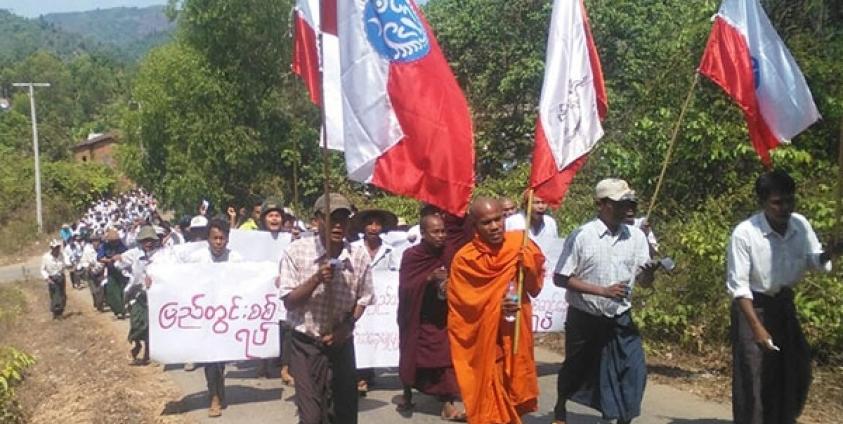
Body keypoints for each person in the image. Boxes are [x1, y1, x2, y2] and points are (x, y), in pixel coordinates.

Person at [726, 170, 842, 424]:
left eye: (789, 200)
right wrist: (757, 329)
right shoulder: (745, 233)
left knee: (795, 369)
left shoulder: (800, 224)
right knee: (753, 375)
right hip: (753, 309)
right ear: (763, 203)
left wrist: (830, 253)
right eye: (777, 203)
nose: (784, 208)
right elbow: (739, 288)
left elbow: (814, 260)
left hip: (783, 305)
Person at [551, 178, 660, 424]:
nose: (629, 207)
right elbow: (560, 278)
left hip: (620, 317)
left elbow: (643, 281)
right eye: (621, 203)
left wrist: (650, 273)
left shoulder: (636, 237)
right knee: (577, 368)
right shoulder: (582, 236)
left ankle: (623, 418)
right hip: (585, 317)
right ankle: (560, 405)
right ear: (602, 205)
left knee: (632, 370)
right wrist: (602, 291)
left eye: (631, 202)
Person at [448, 197, 544, 423]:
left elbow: (534, 288)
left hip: (515, 331)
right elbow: (463, 307)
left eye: (498, 219)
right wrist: (495, 306)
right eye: (486, 222)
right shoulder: (465, 259)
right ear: (474, 226)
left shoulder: (520, 243)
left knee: (515, 387)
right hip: (486, 338)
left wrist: (528, 265)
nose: (494, 226)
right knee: (490, 392)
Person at [279, 193, 374, 424]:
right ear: (317, 221)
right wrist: (316, 279)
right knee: (312, 416)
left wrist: (346, 327)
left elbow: (363, 299)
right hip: (306, 344)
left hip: (341, 344)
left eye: (343, 219)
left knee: (344, 413)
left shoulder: (358, 256)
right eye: (332, 218)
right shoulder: (297, 252)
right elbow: (289, 301)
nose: (338, 225)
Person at [397, 214, 465, 420]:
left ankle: (447, 404)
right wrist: (428, 279)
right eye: (435, 232)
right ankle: (407, 393)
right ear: (423, 234)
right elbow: (406, 287)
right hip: (418, 315)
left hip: (442, 316)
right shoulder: (412, 255)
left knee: (445, 360)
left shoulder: (450, 252)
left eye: (443, 231)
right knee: (411, 356)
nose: (441, 236)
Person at [118, 225, 164, 366]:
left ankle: (148, 354)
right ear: (140, 241)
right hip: (137, 294)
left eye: (151, 239)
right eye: (145, 240)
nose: (148, 243)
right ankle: (137, 343)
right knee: (137, 323)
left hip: (155, 295)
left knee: (150, 326)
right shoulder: (134, 254)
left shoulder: (161, 255)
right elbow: (119, 264)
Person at [98, 228, 129, 319]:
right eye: (112, 241)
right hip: (111, 271)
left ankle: (122, 310)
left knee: (122, 291)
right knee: (111, 291)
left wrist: (120, 258)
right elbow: (99, 258)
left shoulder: (121, 245)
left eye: (115, 241)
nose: (114, 242)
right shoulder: (104, 246)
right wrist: (109, 260)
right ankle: (117, 310)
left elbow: (127, 255)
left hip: (121, 271)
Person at [41, 239, 71, 319]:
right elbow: (43, 269)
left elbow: (67, 263)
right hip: (52, 279)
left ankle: (60, 311)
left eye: (58, 247)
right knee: (55, 296)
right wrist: (47, 278)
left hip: (61, 277)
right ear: (51, 248)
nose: (57, 249)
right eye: (55, 247)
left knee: (62, 295)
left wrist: (69, 266)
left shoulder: (62, 255)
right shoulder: (46, 257)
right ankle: (56, 313)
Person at [80, 231, 106, 311]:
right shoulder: (87, 250)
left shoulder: (103, 250)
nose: (96, 243)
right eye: (94, 241)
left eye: (97, 241)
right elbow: (83, 261)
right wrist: (87, 266)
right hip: (91, 273)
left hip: (101, 272)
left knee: (101, 290)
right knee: (94, 291)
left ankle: (100, 305)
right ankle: (97, 303)